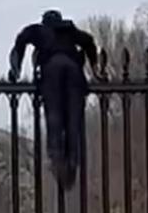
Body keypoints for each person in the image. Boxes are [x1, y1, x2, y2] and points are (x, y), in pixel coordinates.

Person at [8, 10, 99, 189]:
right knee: (74, 119)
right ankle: (73, 161)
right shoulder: (69, 30)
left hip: (52, 70)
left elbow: (21, 39)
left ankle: (57, 159)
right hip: (74, 71)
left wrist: (15, 69)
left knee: (54, 116)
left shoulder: (40, 31)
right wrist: (95, 68)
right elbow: (88, 41)